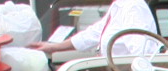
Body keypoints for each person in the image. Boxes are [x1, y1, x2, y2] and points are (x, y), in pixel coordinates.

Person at [27, 0, 159, 60]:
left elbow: (143, 53)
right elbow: (93, 34)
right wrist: (53, 47)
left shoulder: (133, 6)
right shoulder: (119, 6)